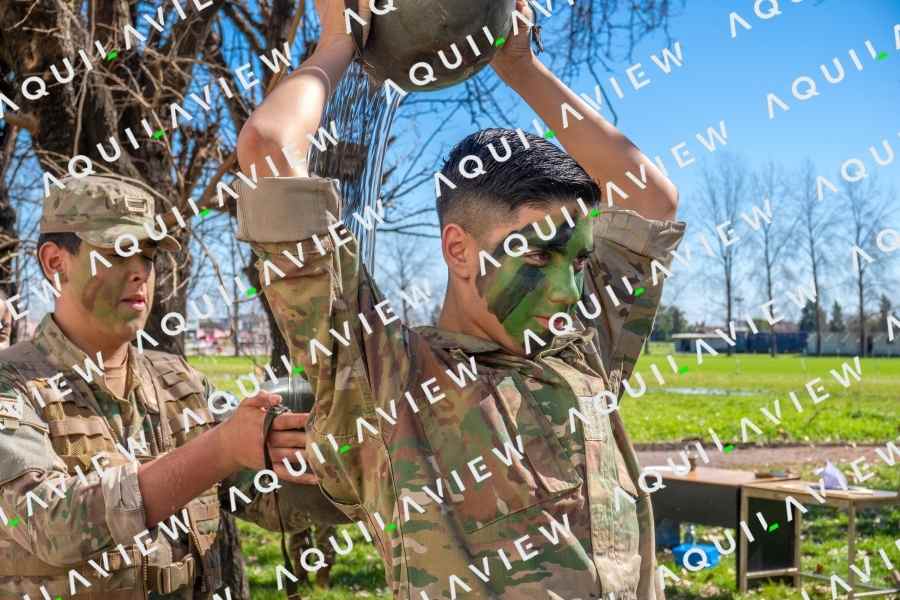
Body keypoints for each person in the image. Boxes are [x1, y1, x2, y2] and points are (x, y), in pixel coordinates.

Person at [235, 0, 685, 598]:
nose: (570, 290)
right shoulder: (386, 381)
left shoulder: (580, 352)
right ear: (458, 250)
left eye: (578, 261)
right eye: (537, 257)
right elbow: (269, 148)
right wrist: (338, 40)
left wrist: (520, 67)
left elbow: (650, 199)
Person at [0, 175, 340, 599]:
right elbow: (49, 524)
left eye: (148, 255)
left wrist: (349, 466)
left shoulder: (180, 382)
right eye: (118, 252)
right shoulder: (12, 385)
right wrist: (219, 449)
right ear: (56, 263)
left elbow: (265, 499)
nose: (140, 272)